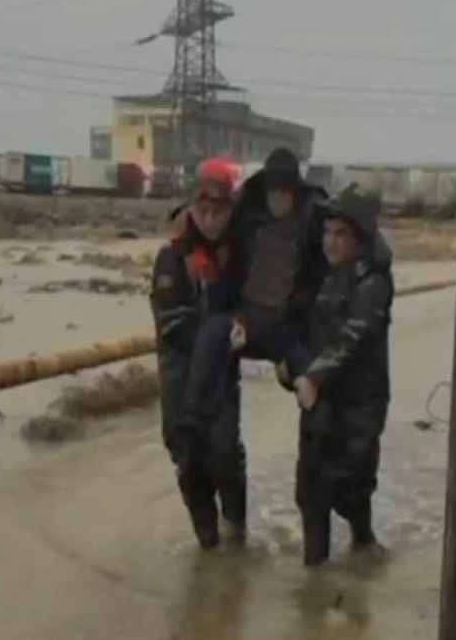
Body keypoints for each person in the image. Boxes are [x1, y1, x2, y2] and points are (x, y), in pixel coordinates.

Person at [182, 147, 329, 425]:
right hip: (247, 316)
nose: (278, 200)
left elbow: (351, 238)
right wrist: (195, 252)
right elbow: (199, 222)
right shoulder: (248, 206)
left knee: (312, 379)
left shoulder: (314, 214)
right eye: (274, 192)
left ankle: (321, 439)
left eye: (284, 193)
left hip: (289, 324)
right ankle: (192, 415)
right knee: (211, 335)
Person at [288, 189, 393, 567]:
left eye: (340, 234)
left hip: (359, 403)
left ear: (359, 238)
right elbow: (299, 329)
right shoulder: (324, 277)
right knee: (310, 490)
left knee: (350, 487)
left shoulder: (373, 283)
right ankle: (314, 575)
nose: (330, 242)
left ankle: (364, 548)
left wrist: (314, 377)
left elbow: (352, 336)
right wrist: (292, 367)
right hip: (321, 401)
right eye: (327, 232)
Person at [150, 157, 248, 549]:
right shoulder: (172, 258)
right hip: (180, 375)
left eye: (218, 210)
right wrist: (219, 330)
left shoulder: (238, 255)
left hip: (222, 376)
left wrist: (245, 327)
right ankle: (207, 540)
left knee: (224, 453)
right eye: (202, 209)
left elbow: (255, 302)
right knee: (188, 457)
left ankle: (237, 532)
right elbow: (171, 324)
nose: (210, 219)